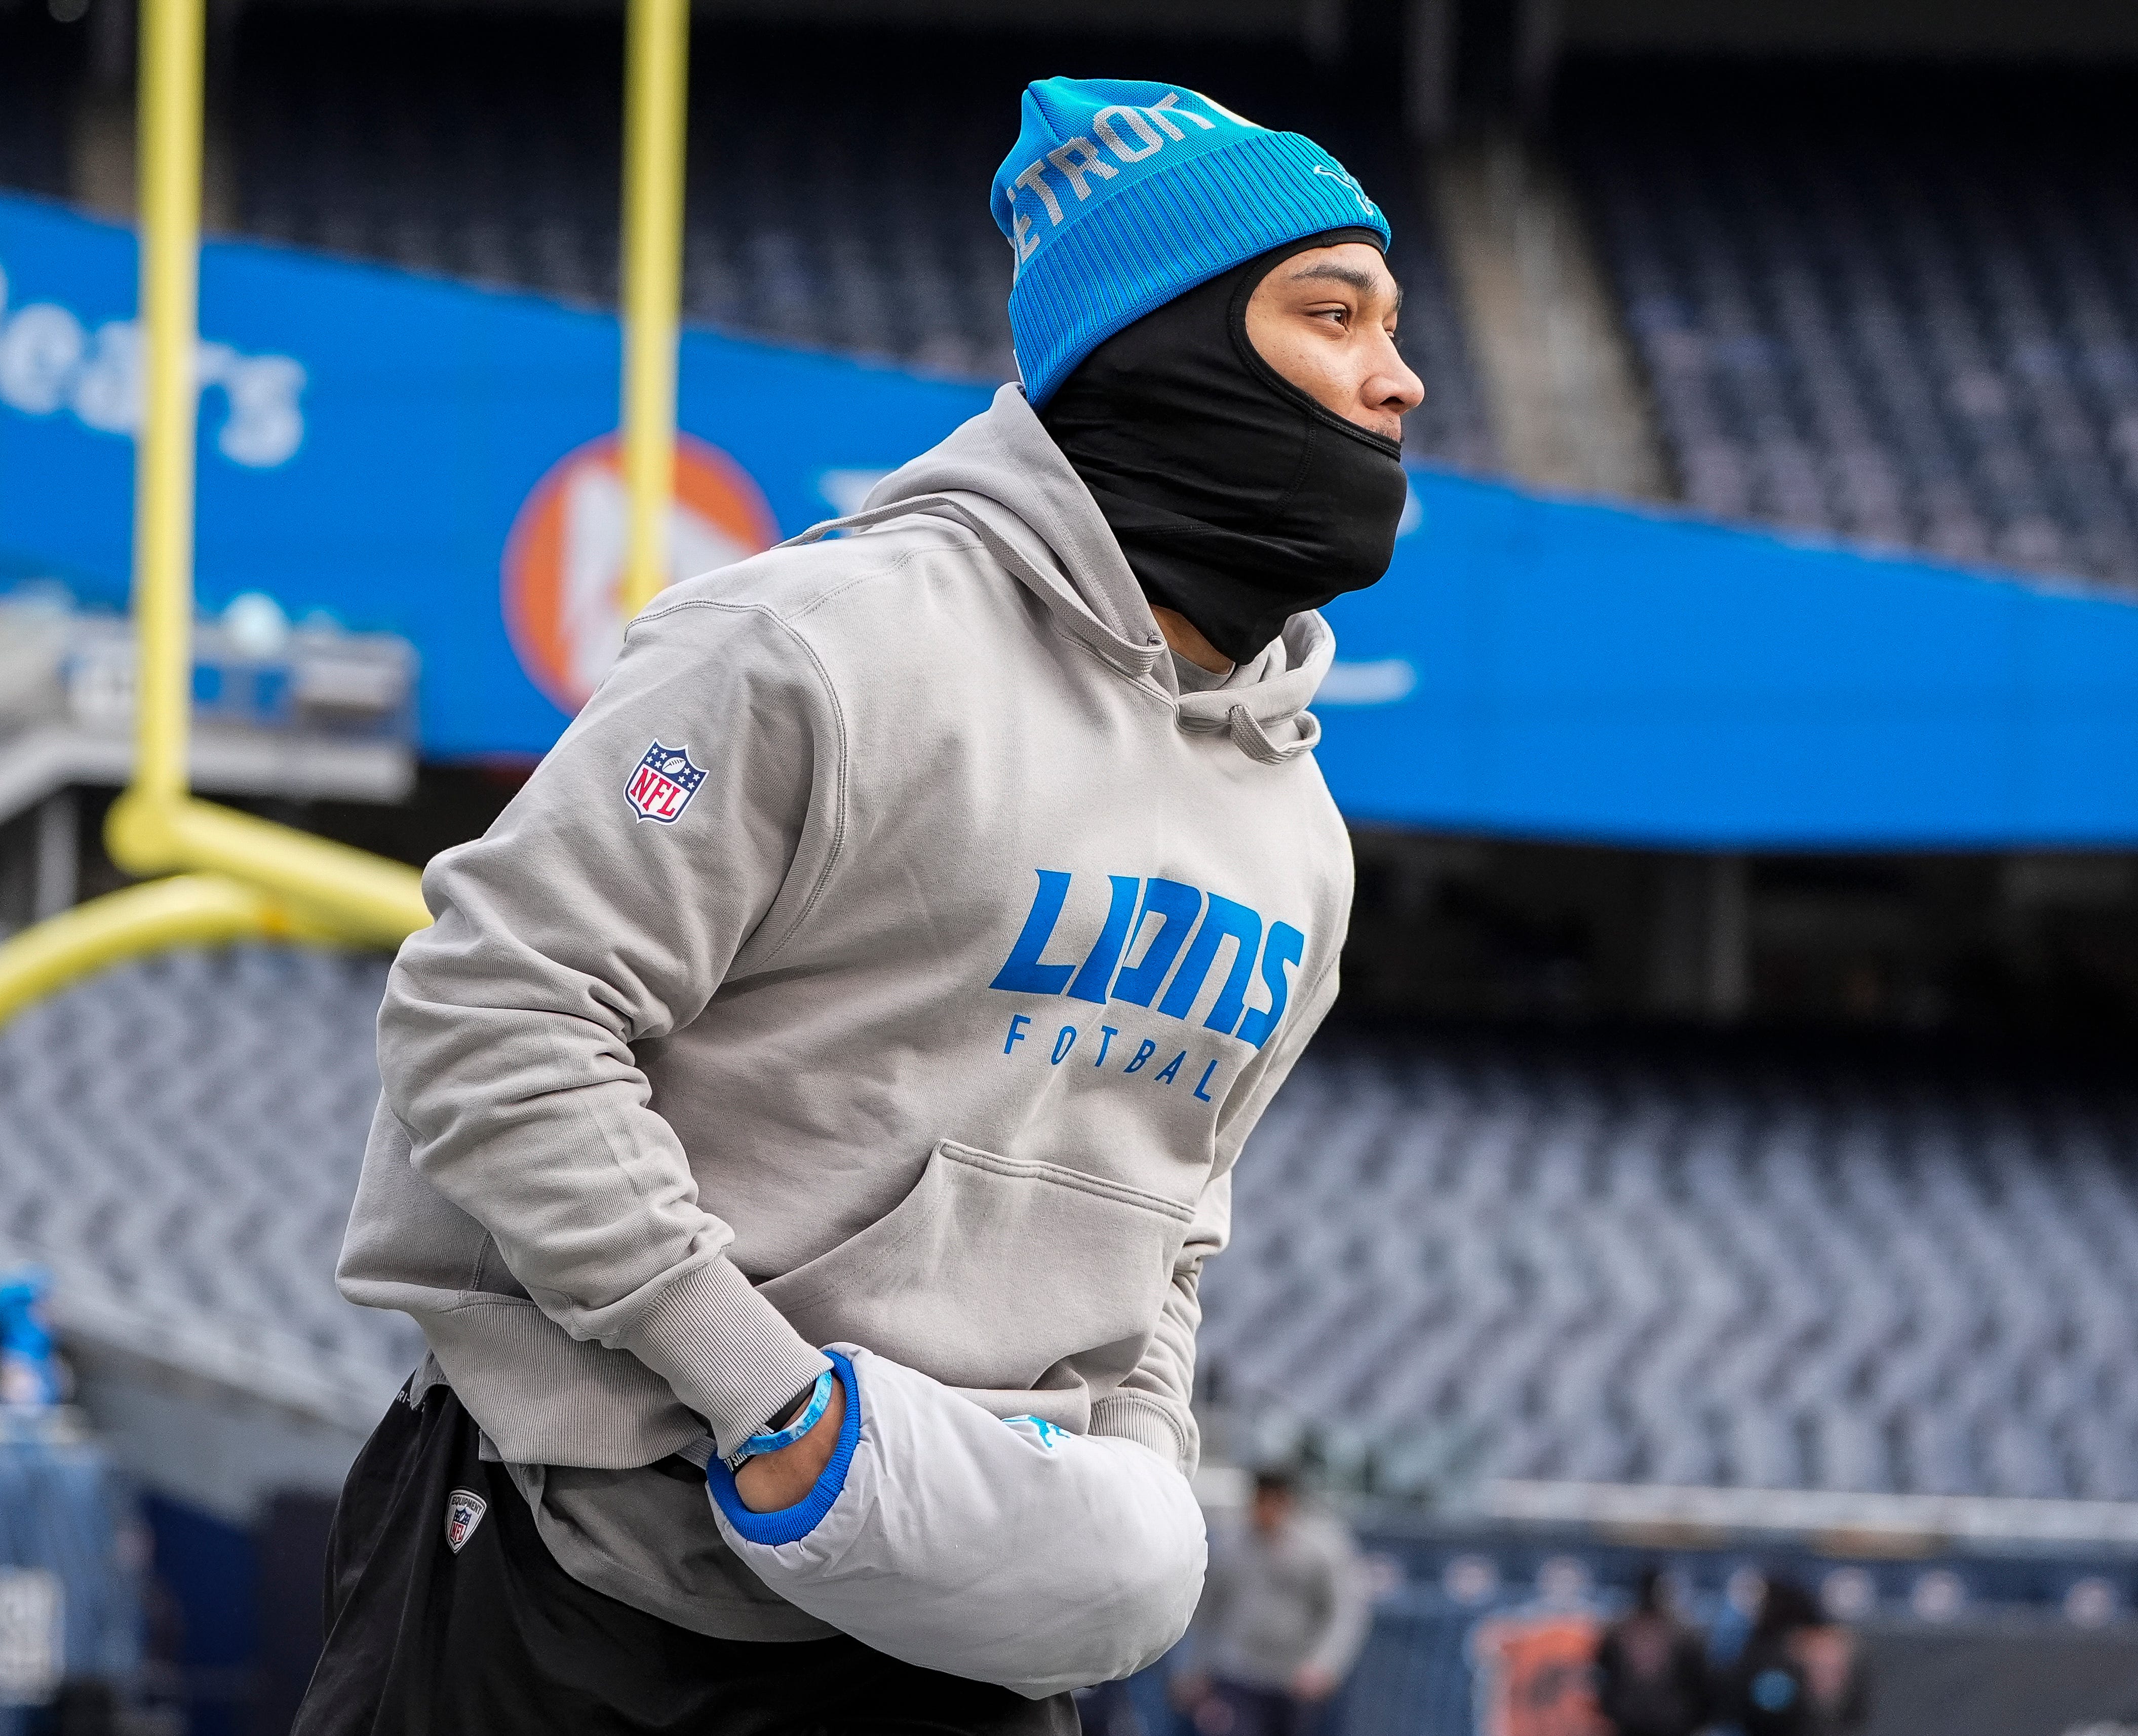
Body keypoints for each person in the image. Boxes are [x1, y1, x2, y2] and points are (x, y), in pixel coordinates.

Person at [293, 73, 1423, 1736]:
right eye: (1333, 315)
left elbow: (1171, 1217)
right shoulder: (802, 650)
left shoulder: (1295, 828)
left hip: (953, 1620)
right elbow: (493, 1009)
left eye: (1393, 326)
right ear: (1163, 344)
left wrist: (1134, 1475)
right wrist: (765, 1404)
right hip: (584, 1583)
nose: (1396, 377)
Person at [1173, 1470, 1371, 1734]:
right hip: (1236, 1673)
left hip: (1294, 1678)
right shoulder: (1230, 1546)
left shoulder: (1322, 1548)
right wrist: (1192, 1667)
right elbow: (1206, 1611)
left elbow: (1344, 1612)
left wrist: (1325, 1664)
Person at [1717, 1578, 1870, 1736]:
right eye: (1821, 1669)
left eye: (1834, 1671)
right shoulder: (1763, 1660)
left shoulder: (1844, 1700)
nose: (1826, 1676)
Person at [1594, 1567, 1709, 1736]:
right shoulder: (1684, 1631)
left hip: (1651, 1719)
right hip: (1656, 1720)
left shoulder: (1618, 1628)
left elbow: (1699, 1681)